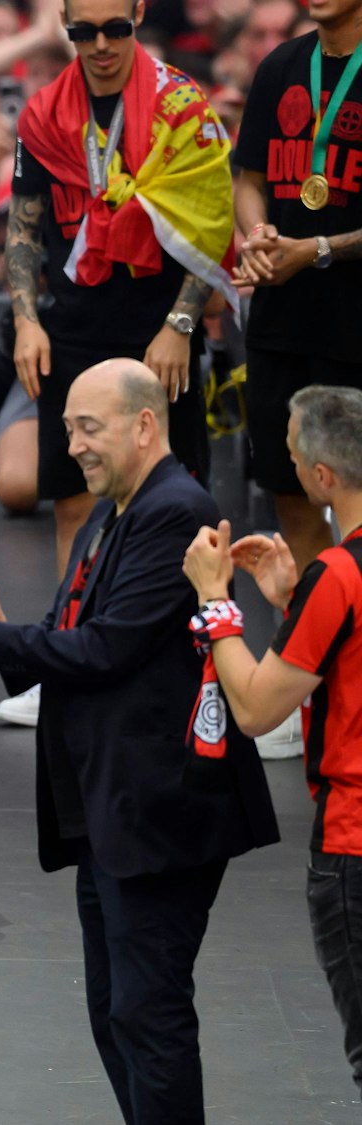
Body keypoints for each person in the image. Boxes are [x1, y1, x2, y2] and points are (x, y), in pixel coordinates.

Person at [0, 358, 278, 1125]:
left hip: (160, 813)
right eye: (68, 426)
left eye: (88, 427)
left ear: (145, 425)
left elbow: (107, 647)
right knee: (118, 1008)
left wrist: (0, 637)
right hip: (114, 812)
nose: (71, 444)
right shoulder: (118, 509)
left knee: (147, 1008)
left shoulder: (174, 510)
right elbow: (74, 632)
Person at [0, 0, 236, 729]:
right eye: (82, 32)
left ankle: (202, 665)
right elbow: (24, 222)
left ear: (137, 18)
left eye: (114, 30)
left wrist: (180, 324)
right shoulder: (44, 114)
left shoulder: (181, 106)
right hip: (75, 314)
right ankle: (70, 657)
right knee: (74, 494)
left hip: (159, 314)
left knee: (182, 496)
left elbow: (210, 219)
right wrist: (27, 320)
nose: (99, 46)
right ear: (65, 27)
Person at [181, 384, 362, 1101]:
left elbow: (255, 707)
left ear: (323, 477)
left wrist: (215, 603)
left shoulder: (341, 575)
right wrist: (293, 605)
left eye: (289, 457)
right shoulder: (331, 584)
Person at [230, 0, 362, 570]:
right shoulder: (281, 65)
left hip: (355, 324)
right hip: (281, 323)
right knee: (291, 492)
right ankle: (317, 640)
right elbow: (249, 180)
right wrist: (258, 234)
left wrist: (316, 251)